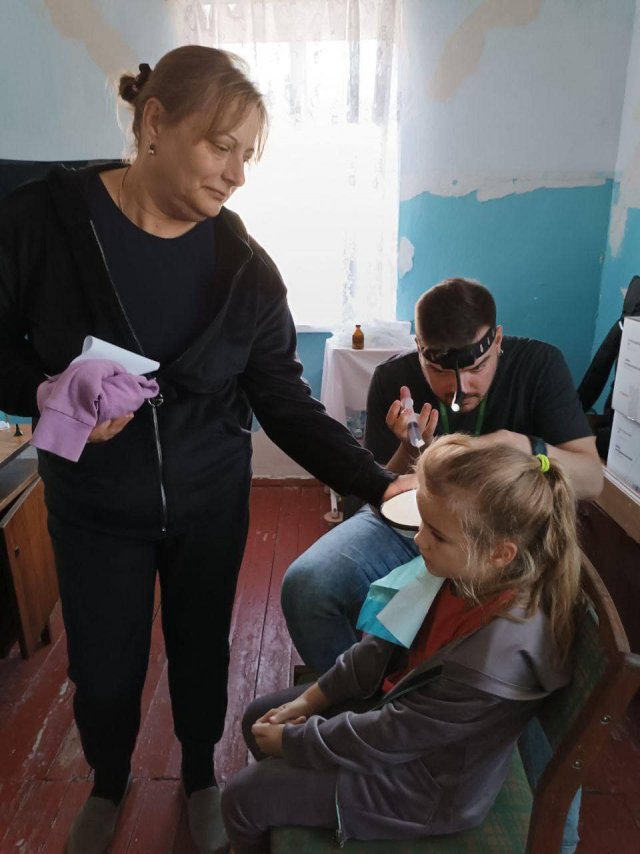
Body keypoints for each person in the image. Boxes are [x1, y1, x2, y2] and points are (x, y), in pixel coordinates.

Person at [0, 47, 412, 854]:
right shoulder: (41, 225)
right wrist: (45, 390)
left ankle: (197, 774)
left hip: (208, 500)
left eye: (247, 155)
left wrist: (378, 483)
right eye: (222, 147)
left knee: (200, 649)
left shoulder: (245, 269)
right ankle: (108, 780)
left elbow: (284, 399)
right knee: (103, 666)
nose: (236, 175)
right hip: (93, 505)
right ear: (154, 123)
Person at [220, 435, 583, 853]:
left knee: (242, 797)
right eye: (423, 524)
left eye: (437, 535)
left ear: (500, 553)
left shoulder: (491, 662)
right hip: (401, 724)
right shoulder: (462, 573)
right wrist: (312, 699)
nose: (419, 540)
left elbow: (391, 736)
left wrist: (296, 743)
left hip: (424, 790)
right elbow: (381, 647)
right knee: (256, 719)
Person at [281, 277, 602, 673]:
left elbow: (592, 478)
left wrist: (520, 446)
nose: (460, 388)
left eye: (478, 367)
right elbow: (374, 494)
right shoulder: (392, 378)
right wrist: (409, 449)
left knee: (507, 646)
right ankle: (363, 701)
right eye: (440, 371)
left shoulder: (539, 366)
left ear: (497, 340)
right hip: (418, 525)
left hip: (504, 540)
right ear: (419, 347)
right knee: (307, 587)